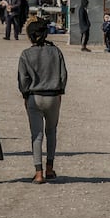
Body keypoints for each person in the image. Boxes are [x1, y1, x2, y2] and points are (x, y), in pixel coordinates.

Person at [18, 18, 68, 184]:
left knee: (36, 135)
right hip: (53, 96)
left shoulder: (26, 54)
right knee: (51, 131)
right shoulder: (56, 52)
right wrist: (60, 91)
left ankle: (38, 173)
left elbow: (23, 80)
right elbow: (63, 75)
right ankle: (49, 168)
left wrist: (25, 96)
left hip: (34, 96)